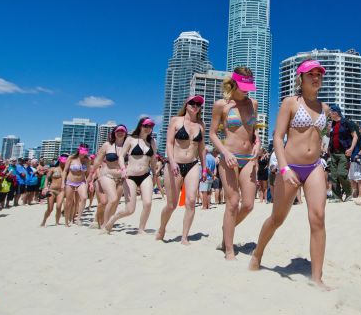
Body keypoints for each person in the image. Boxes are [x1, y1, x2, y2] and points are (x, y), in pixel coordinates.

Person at [250, 59, 331, 287]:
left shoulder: (323, 108)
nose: (316, 78)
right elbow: (277, 137)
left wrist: (322, 150)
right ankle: (257, 254)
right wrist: (284, 168)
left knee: (318, 218)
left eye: (319, 74)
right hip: (290, 167)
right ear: (301, 78)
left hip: (314, 167)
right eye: (311, 74)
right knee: (277, 219)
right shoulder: (290, 103)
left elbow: (319, 136)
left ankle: (317, 278)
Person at [210, 68, 261, 259]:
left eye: (250, 86)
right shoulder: (222, 105)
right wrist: (224, 151)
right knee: (232, 203)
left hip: (249, 158)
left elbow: (253, 131)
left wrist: (258, 142)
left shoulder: (253, 103)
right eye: (244, 86)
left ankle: (227, 228)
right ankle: (229, 248)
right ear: (235, 83)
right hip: (228, 157)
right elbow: (213, 134)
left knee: (248, 205)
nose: (248, 90)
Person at [157, 96, 207, 244]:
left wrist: (204, 169)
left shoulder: (201, 125)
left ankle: (184, 236)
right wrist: (171, 162)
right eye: (192, 103)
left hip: (192, 164)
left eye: (198, 104)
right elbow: (169, 142)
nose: (195, 106)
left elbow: (202, 148)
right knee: (171, 204)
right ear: (186, 104)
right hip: (175, 164)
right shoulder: (175, 121)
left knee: (191, 201)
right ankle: (162, 228)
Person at [104, 118, 160, 233]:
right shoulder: (130, 139)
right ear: (140, 126)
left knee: (148, 203)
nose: (148, 128)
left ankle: (141, 229)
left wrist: (155, 174)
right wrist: (123, 169)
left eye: (151, 126)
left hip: (145, 175)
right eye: (146, 126)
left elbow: (153, 159)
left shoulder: (152, 142)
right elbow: (121, 156)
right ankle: (112, 220)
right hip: (130, 176)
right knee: (130, 210)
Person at [90, 125, 128, 229]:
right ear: (114, 133)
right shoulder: (107, 145)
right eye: (118, 131)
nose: (120, 132)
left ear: (125, 133)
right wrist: (91, 176)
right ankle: (101, 223)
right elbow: (97, 161)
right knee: (110, 200)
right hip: (107, 175)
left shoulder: (128, 146)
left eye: (122, 131)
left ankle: (107, 221)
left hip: (121, 178)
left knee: (115, 203)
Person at [326, 104, 358, 201]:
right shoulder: (332, 124)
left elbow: (355, 136)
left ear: (336, 112)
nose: (329, 114)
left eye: (330, 112)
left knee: (341, 173)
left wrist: (351, 149)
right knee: (333, 176)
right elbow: (331, 137)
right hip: (333, 153)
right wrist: (328, 147)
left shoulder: (347, 122)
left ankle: (348, 193)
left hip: (344, 153)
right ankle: (337, 197)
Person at [62, 144, 92, 226]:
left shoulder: (88, 160)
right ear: (79, 150)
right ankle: (66, 221)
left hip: (81, 182)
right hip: (70, 182)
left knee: (84, 198)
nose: (84, 153)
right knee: (69, 202)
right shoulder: (71, 158)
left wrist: (90, 183)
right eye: (82, 150)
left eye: (86, 151)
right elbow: (65, 171)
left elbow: (88, 172)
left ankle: (78, 218)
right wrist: (62, 183)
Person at [41, 156, 66, 226]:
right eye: (62, 161)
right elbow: (47, 178)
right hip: (52, 190)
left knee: (59, 207)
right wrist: (45, 187)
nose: (64, 163)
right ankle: (44, 221)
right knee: (50, 209)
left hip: (61, 191)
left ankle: (57, 222)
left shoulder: (66, 170)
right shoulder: (53, 169)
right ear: (59, 161)